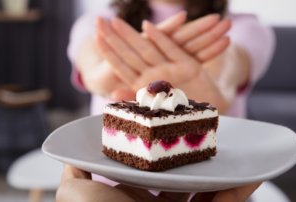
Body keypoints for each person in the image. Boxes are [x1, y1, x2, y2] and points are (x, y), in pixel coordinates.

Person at [59, 0, 275, 201]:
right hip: (111, 189)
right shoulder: (100, 23)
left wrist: (217, 85)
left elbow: (229, 65)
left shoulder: (244, 26)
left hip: (216, 192)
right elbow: (91, 63)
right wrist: (102, 73)